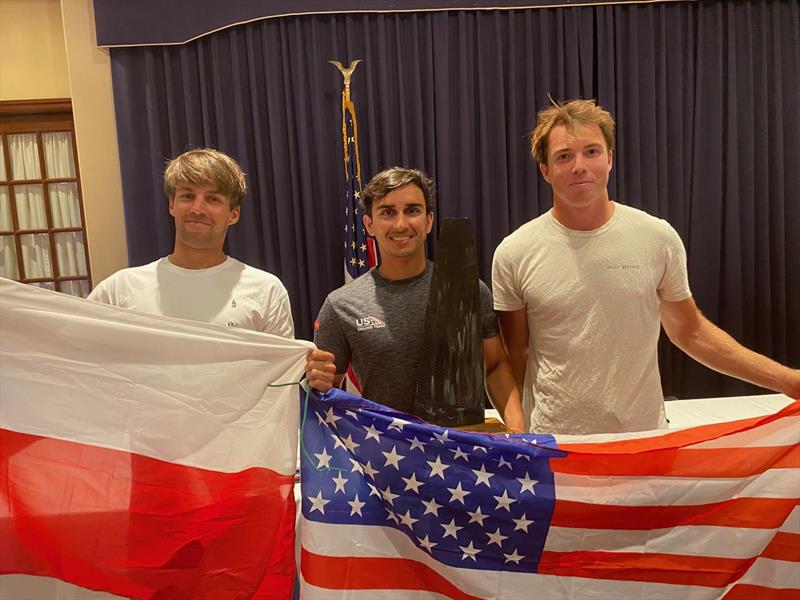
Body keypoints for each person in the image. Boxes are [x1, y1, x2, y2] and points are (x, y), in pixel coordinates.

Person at [492, 98, 800, 435]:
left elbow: (691, 331)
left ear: (610, 158)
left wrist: (786, 380)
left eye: (592, 151)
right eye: (564, 156)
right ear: (546, 170)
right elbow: (514, 358)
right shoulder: (515, 253)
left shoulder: (656, 238)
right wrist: (521, 431)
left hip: (644, 443)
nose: (579, 165)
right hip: (557, 448)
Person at [88, 147, 333, 388]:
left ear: (233, 214)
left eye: (213, 199)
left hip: (237, 429)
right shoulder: (119, 289)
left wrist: (311, 377)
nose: (197, 208)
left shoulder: (266, 290)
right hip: (143, 428)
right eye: (187, 196)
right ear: (171, 205)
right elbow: (78, 359)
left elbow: (280, 382)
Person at [309, 167, 525, 432]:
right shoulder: (340, 305)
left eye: (412, 210)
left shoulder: (466, 289)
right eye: (388, 212)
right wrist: (316, 382)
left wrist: (518, 431)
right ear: (369, 224)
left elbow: (494, 365)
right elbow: (327, 392)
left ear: (429, 221)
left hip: (459, 456)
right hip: (386, 457)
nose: (401, 224)